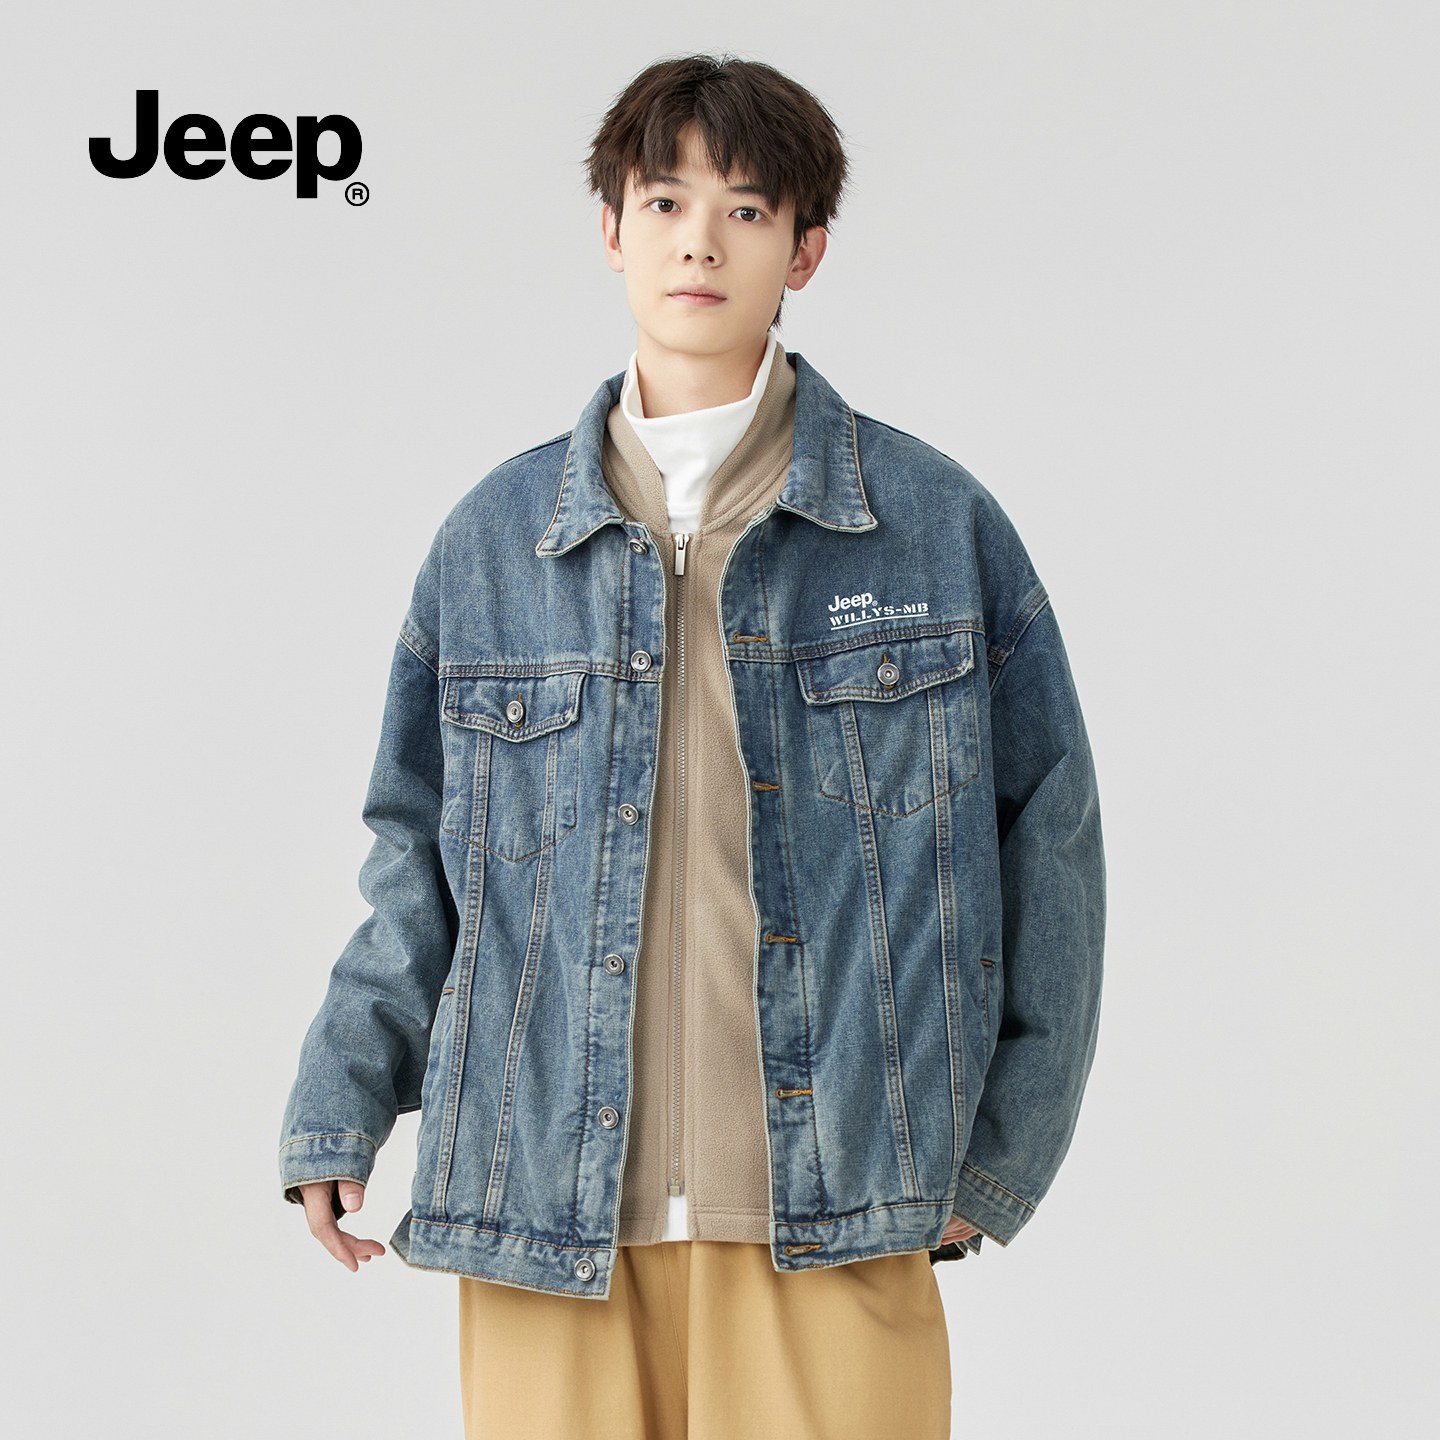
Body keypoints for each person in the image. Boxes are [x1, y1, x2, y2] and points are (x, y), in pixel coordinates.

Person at [278, 52, 1105, 1440]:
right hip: (545, 1214)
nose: (700, 243)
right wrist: (340, 1098)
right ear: (611, 230)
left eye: (747, 209)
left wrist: (1000, 1158)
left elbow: (1053, 845)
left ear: (806, 250)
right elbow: (415, 859)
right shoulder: (494, 546)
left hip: (837, 1204)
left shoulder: (930, 526)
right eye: (665, 202)